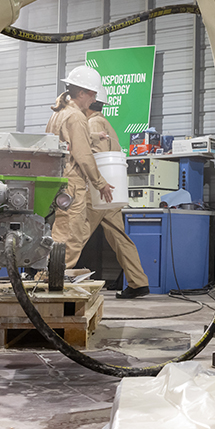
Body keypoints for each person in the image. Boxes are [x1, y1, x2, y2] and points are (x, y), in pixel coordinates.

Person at [45, 66, 126, 291]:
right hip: (73, 181)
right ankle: (54, 282)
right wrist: (100, 183)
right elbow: (82, 154)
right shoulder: (77, 116)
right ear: (82, 92)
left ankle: (50, 275)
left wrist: (93, 135)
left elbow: (66, 138)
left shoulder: (60, 112)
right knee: (72, 233)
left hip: (59, 180)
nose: (94, 100)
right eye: (93, 94)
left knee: (63, 231)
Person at [81, 88, 150, 299]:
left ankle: (47, 278)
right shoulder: (105, 123)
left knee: (75, 233)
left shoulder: (93, 123)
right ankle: (138, 282)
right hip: (109, 191)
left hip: (99, 191)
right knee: (119, 237)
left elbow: (97, 156)